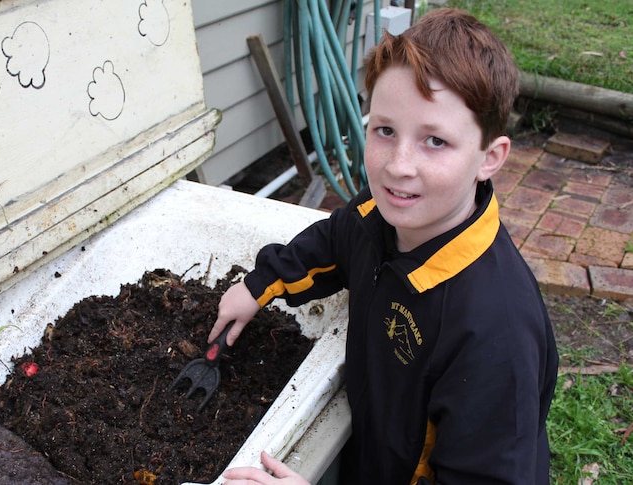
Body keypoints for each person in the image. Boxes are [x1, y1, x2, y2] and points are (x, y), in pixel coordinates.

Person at [210, 8, 559, 485]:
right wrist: (260, 285)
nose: (399, 165)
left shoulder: (494, 333)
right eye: (385, 130)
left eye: (435, 140)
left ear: (489, 157)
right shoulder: (382, 214)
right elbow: (335, 241)